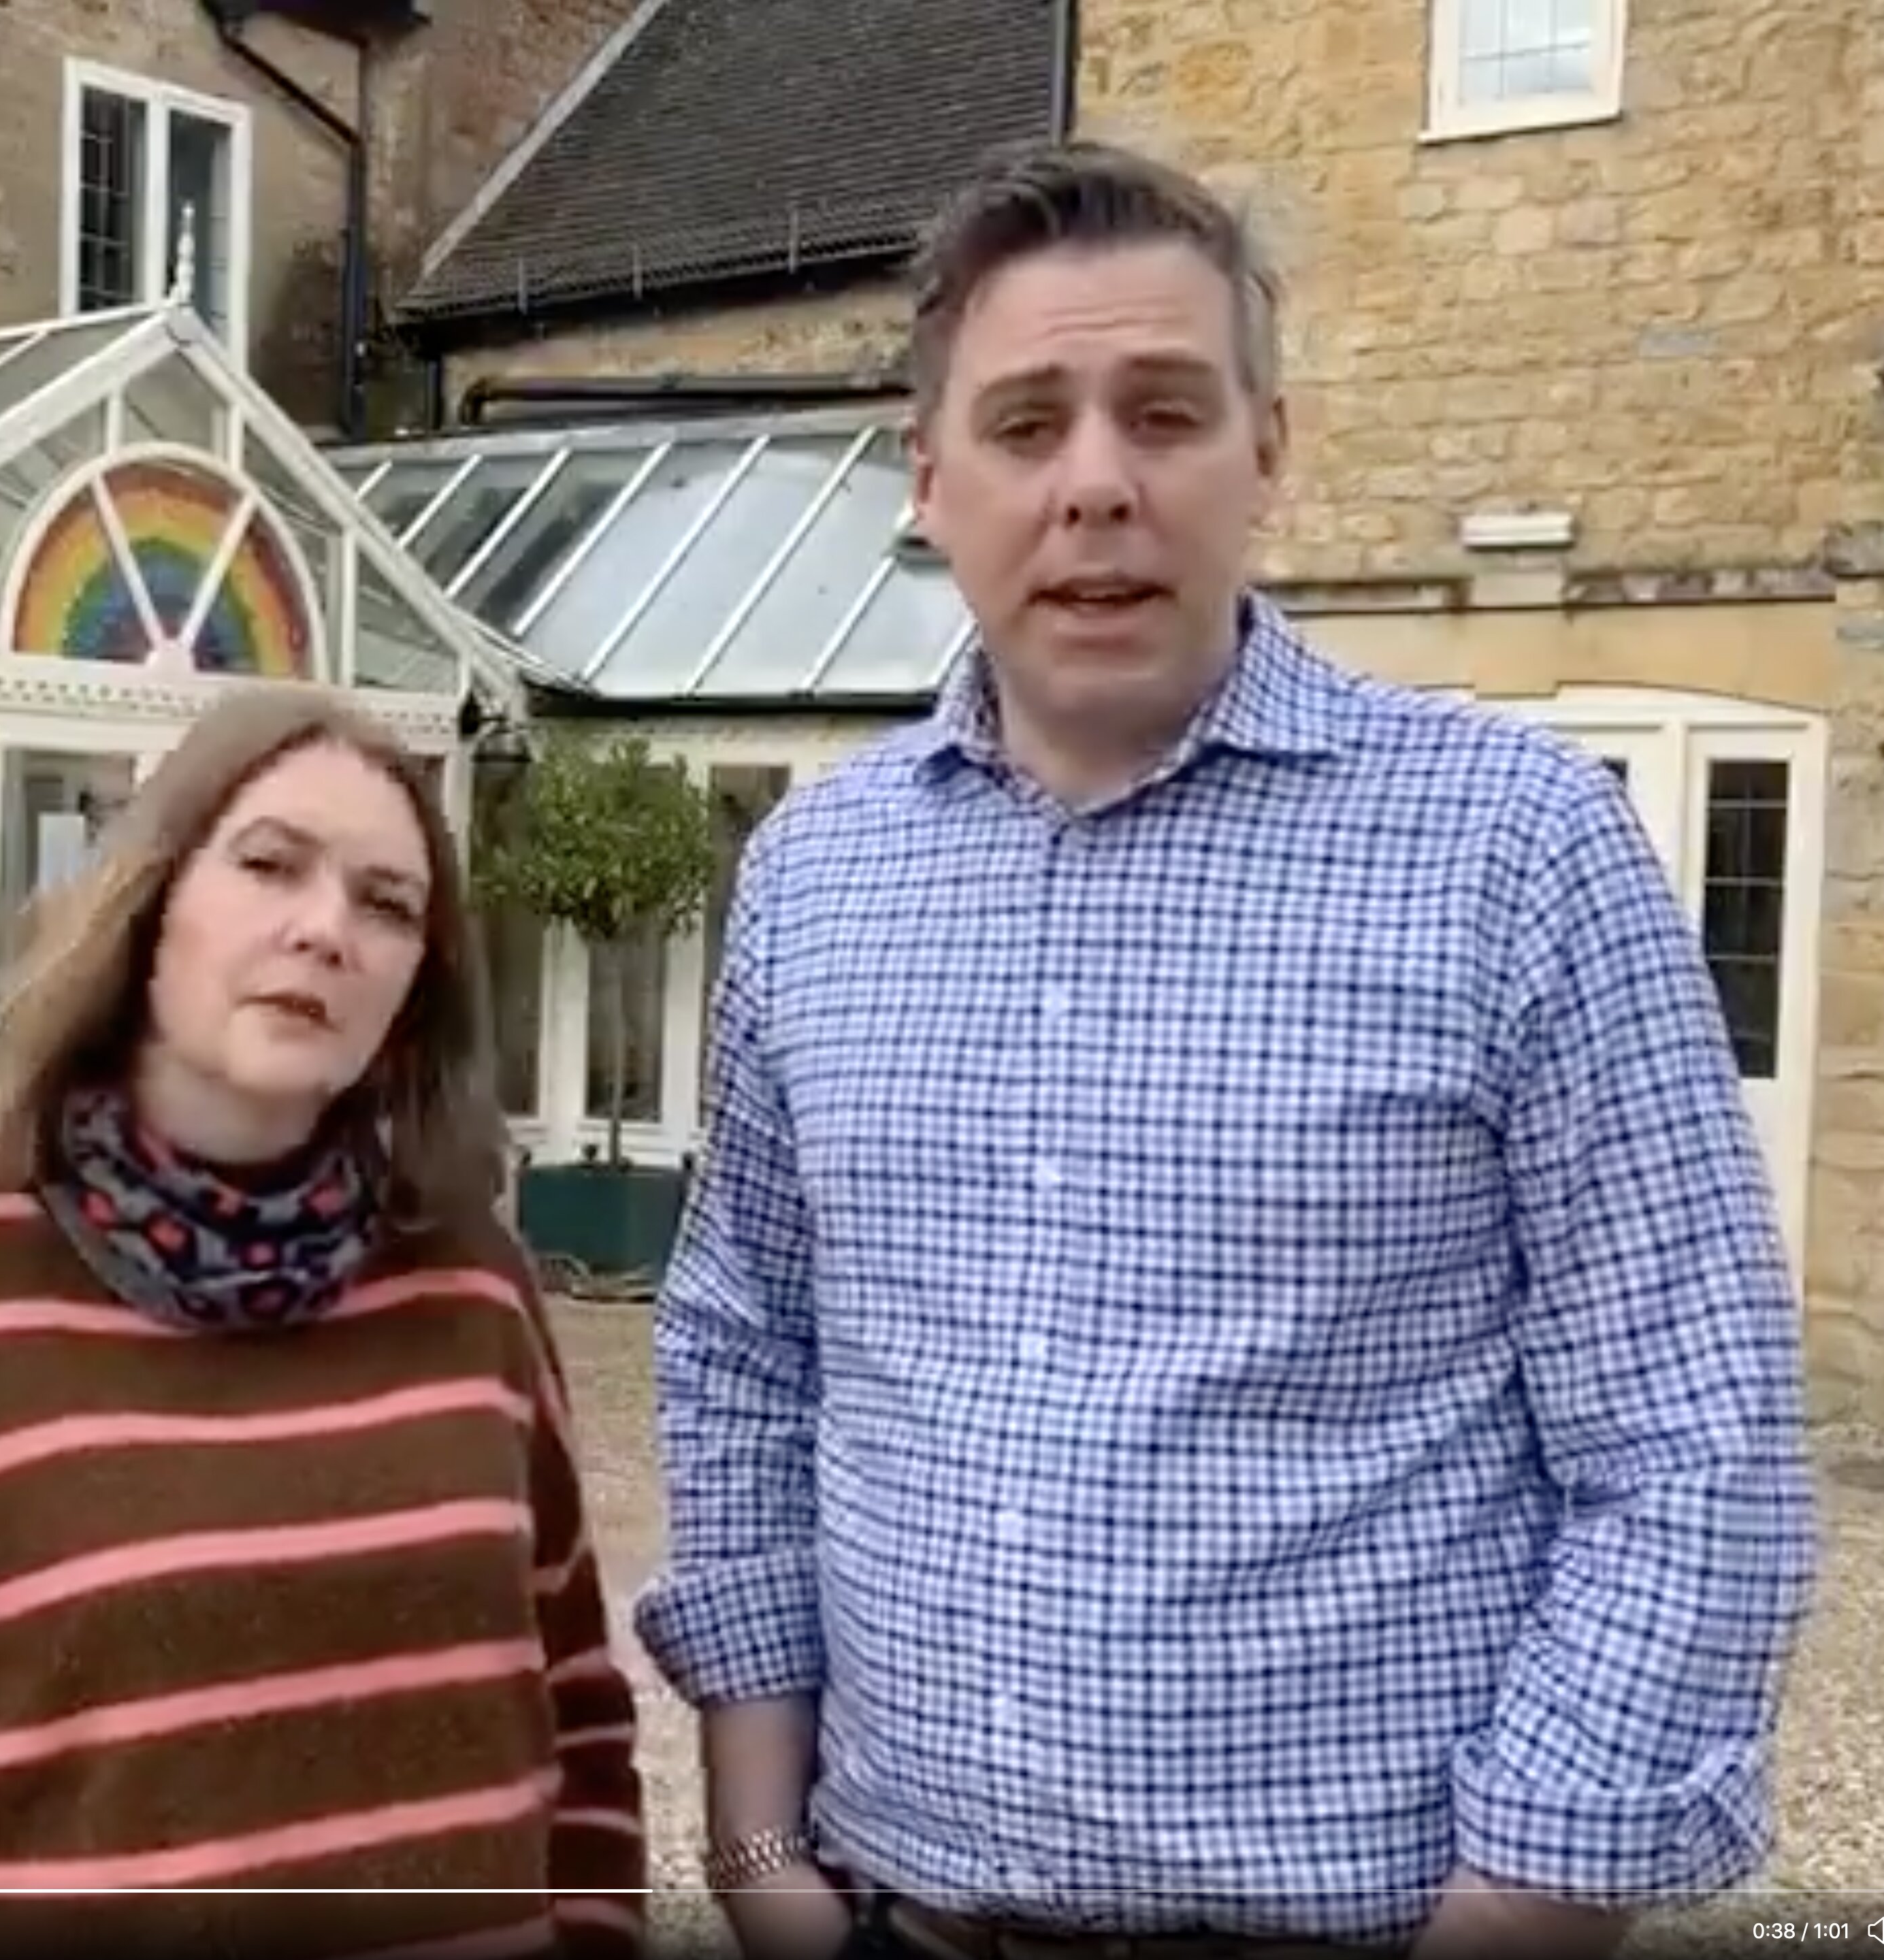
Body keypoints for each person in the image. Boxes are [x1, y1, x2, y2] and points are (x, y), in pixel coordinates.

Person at [636, 139, 1822, 1960]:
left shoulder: (1515, 851)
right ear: (929, 479)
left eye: (1165, 413)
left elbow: (1692, 1448)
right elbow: (744, 1355)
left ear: (1269, 448)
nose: (1098, 485)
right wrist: (761, 1863)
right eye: (1029, 424)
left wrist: (1519, 1912)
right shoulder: (813, 873)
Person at [0, 690, 647, 1960]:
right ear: (150, 904)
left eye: (388, 904)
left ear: (420, 988)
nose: (325, 931)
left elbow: (579, 1722)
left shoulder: (472, 1291)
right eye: (269, 865)